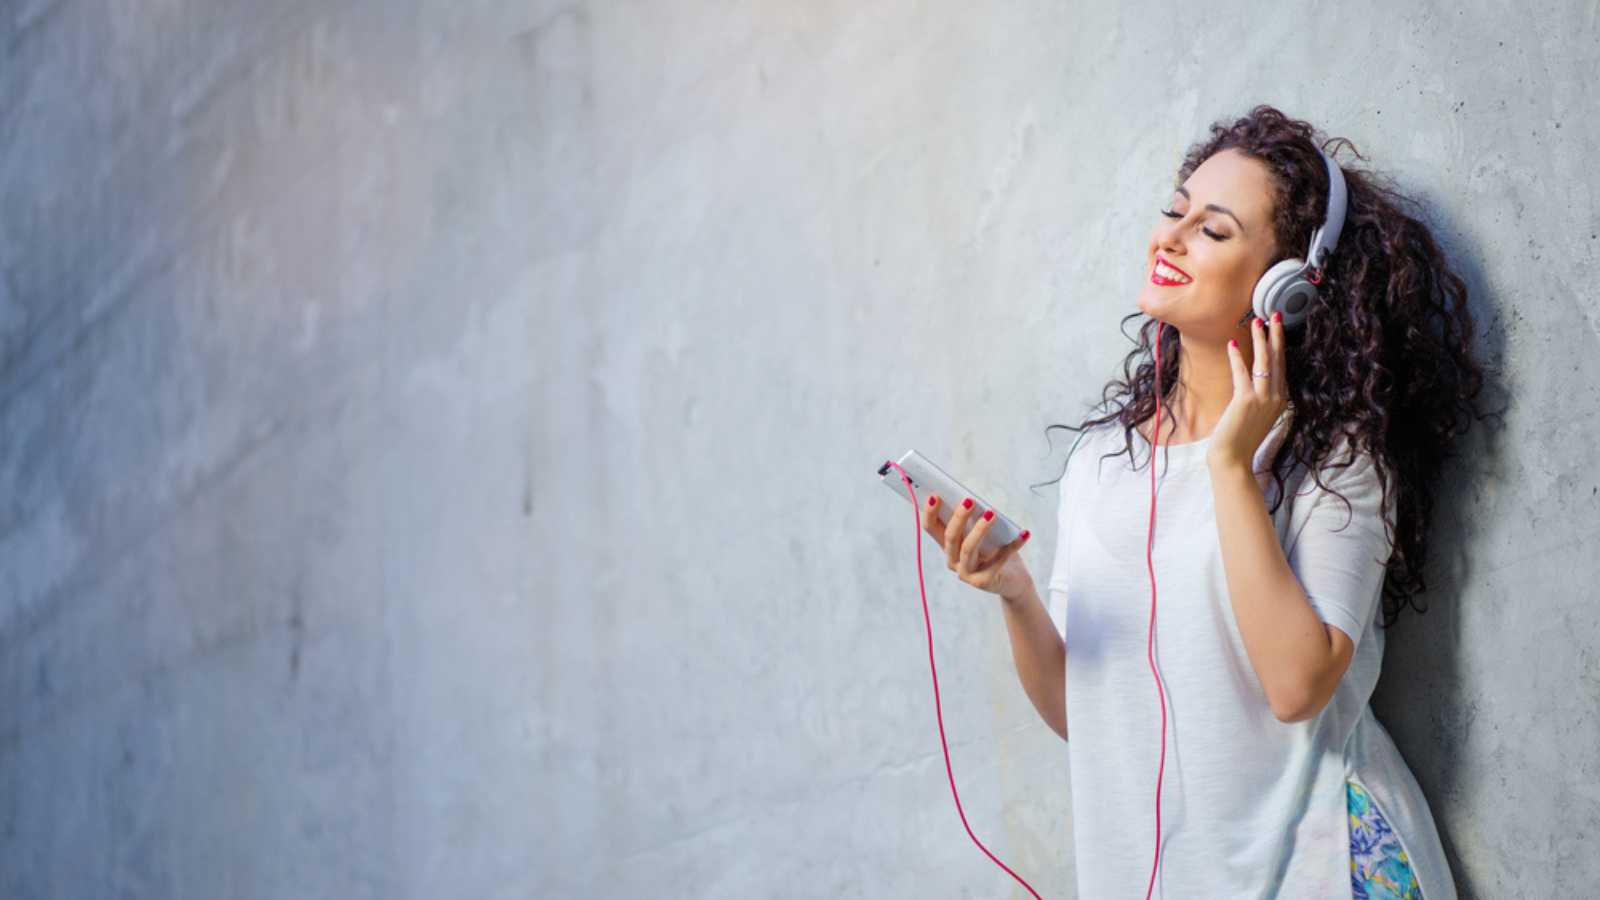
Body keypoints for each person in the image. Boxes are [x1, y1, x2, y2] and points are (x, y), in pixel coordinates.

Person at [918, 105, 1495, 898]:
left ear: (1285, 287)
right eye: (1173, 212)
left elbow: (1298, 684)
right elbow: (1084, 715)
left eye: (1214, 230)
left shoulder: (1335, 460)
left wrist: (1230, 465)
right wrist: (1015, 594)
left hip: (1320, 871)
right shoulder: (1100, 464)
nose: (1171, 237)